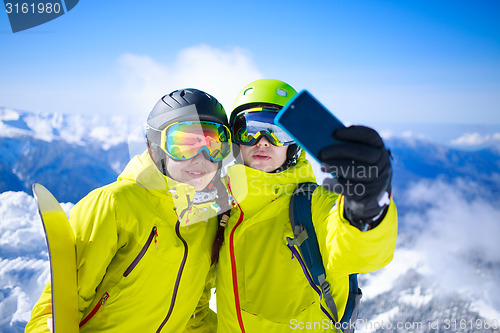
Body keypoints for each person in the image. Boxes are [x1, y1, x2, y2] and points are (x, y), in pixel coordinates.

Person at [26, 89, 232, 332]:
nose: (201, 158)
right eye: (184, 144)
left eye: (214, 145)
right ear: (156, 147)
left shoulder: (208, 217)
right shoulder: (114, 204)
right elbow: (55, 310)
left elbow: (194, 312)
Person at [214, 79, 398, 332]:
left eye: (277, 131)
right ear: (234, 139)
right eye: (249, 129)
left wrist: (366, 208)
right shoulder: (221, 203)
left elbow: (359, 252)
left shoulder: (313, 205)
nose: (263, 141)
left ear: (294, 145)